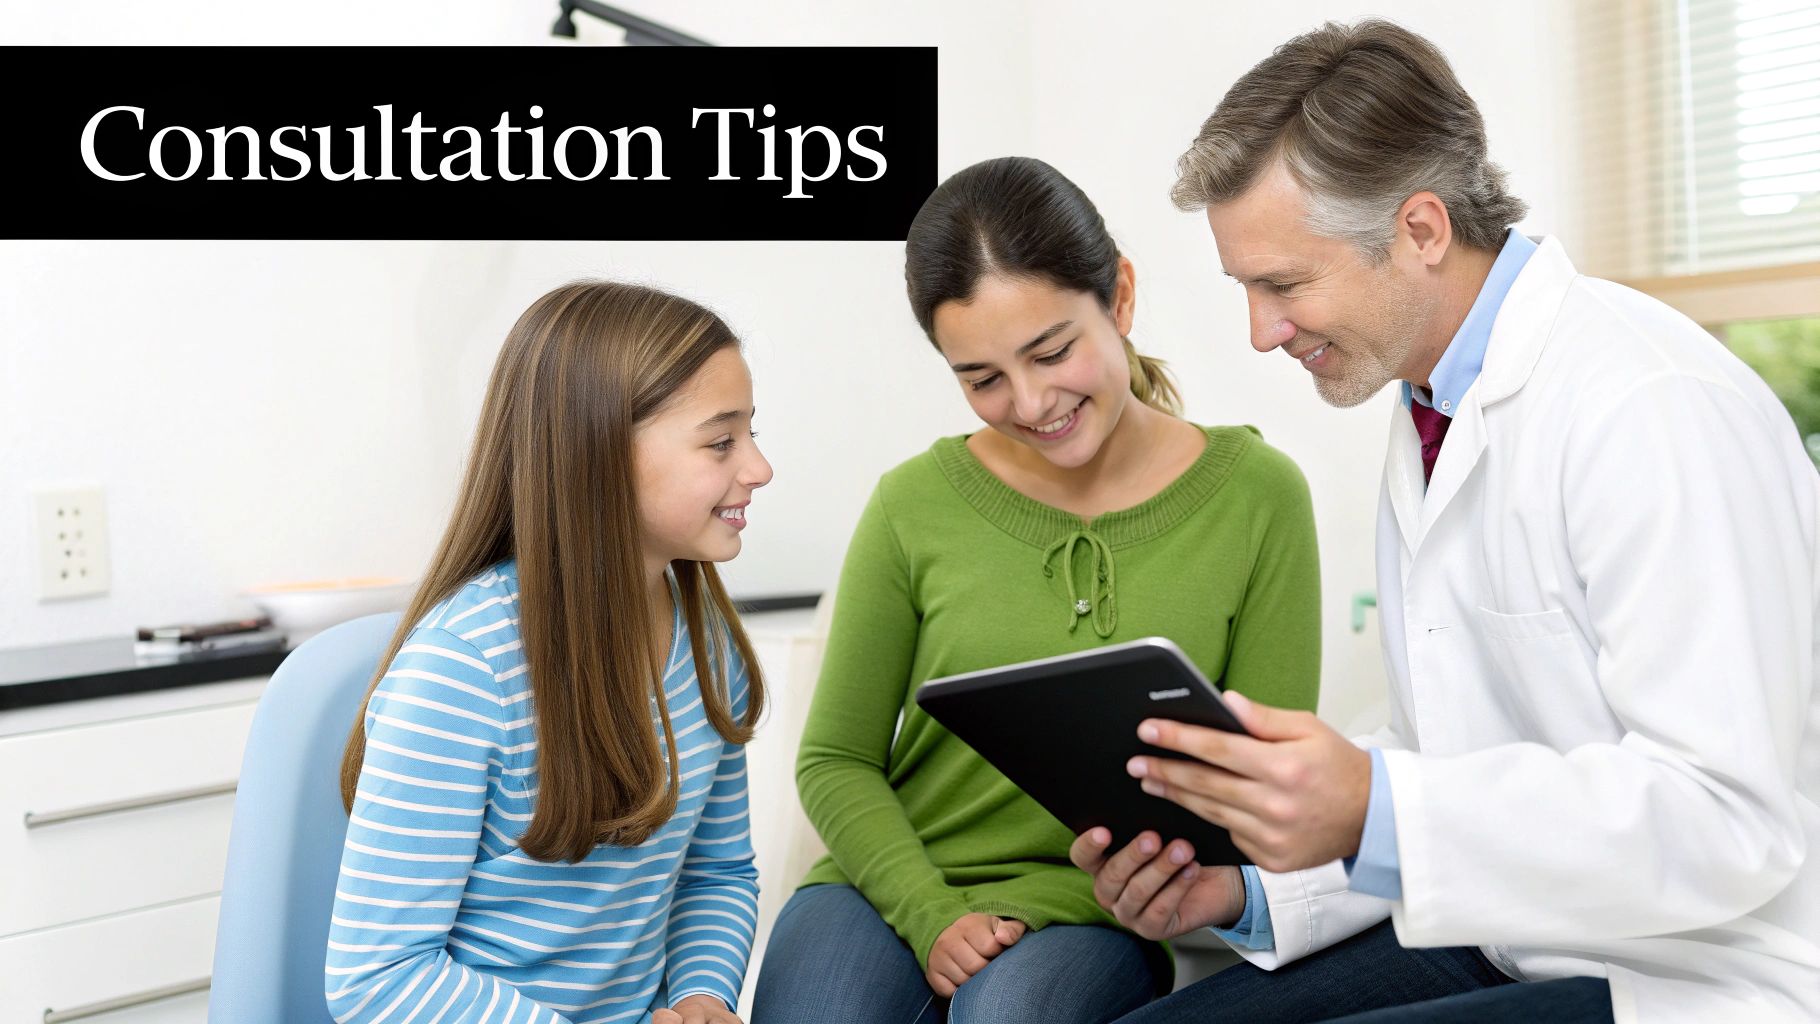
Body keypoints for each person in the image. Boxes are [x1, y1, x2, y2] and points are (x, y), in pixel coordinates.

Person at [1069, 20, 1820, 1024]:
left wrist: (1373, 805)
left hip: (1695, 975)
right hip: (1516, 935)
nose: (1260, 331)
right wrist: (1246, 890)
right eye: (1245, 287)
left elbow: (1728, 819)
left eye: (1282, 284)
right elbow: (1452, 756)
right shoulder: (1429, 409)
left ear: (1419, 230)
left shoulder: (1647, 406)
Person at [751, 156, 1322, 1023]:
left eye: (1052, 351)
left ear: (1120, 298)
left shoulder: (1258, 496)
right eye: (980, 378)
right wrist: (932, 913)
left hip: (1093, 910)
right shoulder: (913, 504)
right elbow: (836, 760)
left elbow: (1268, 791)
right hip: (890, 889)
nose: (1029, 402)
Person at [326, 281, 774, 1024]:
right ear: (596, 454)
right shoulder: (464, 672)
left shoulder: (705, 641)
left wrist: (701, 996)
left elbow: (716, 871)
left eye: (753, 433)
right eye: (721, 441)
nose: (758, 468)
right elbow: (380, 980)